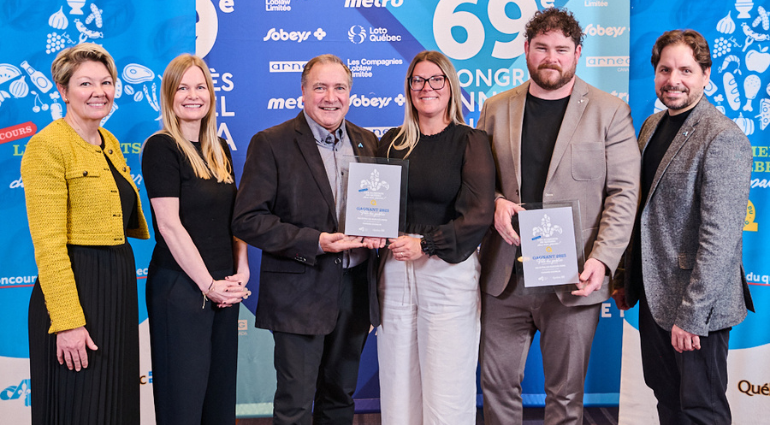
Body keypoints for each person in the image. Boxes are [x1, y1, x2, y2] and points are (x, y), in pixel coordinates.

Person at [476, 8, 640, 425]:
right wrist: (494, 199)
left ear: (578, 53)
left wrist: (602, 260)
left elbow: (623, 194)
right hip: (505, 278)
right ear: (526, 49)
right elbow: (477, 181)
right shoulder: (496, 108)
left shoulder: (610, 111)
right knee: (496, 388)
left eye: (562, 49)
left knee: (565, 398)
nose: (552, 57)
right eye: (542, 47)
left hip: (575, 279)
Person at [612, 29, 754, 425]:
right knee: (668, 402)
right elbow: (642, 211)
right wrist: (627, 278)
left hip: (697, 309)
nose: (673, 79)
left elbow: (720, 238)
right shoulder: (651, 126)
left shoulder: (722, 136)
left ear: (706, 75)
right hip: (655, 298)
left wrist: (692, 315)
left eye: (686, 70)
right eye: (664, 69)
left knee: (700, 410)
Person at [232, 54, 380, 425]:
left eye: (340, 88)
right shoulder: (271, 143)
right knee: (295, 404)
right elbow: (248, 220)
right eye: (320, 87)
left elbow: (379, 209)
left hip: (355, 293)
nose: (330, 97)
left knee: (340, 398)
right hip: (299, 295)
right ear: (302, 92)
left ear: (351, 94)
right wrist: (316, 241)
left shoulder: (368, 142)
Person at [21, 43, 150, 425]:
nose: (100, 91)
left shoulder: (107, 143)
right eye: (85, 83)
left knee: (115, 406)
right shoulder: (46, 146)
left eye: (107, 82)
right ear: (63, 91)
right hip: (76, 291)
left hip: (116, 286)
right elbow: (48, 245)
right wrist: (67, 322)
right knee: (80, 408)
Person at [373, 50, 495, 424]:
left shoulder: (470, 141)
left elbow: (478, 215)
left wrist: (425, 244)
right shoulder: (391, 142)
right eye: (418, 81)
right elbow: (374, 205)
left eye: (435, 79)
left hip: (447, 272)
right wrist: (372, 233)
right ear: (409, 89)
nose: (426, 88)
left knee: (447, 390)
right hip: (394, 273)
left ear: (450, 86)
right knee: (397, 385)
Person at [141, 53, 250, 425]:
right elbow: (169, 226)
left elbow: (236, 219)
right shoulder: (161, 147)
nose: (192, 95)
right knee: (182, 404)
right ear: (169, 95)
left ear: (211, 94)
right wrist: (208, 285)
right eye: (183, 87)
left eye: (200, 86)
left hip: (224, 288)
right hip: (183, 289)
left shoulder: (220, 149)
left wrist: (242, 270)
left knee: (219, 404)